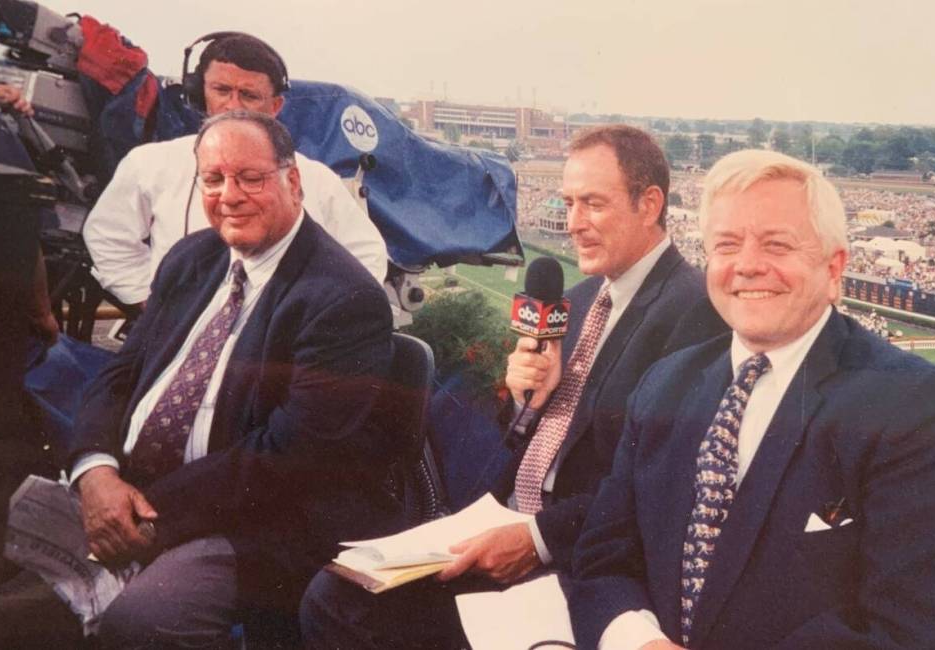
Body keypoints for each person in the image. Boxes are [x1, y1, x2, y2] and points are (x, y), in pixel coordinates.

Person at [299, 125, 727, 649]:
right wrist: (523, 400)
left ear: (650, 203)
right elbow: (539, 440)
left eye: (592, 204)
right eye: (568, 203)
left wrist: (535, 540)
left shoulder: (697, 311)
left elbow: (653, 485)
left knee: (346, 609)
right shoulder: (585, 294)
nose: (573, 224)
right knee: (336, 591)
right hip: (504, 520)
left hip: (578, 561)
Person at [565, 149, 935, 649]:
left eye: (777, 245)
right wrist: (638, 642)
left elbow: (907, 626)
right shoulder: (665, 384)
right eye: (726, 245)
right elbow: (602, 557)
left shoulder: (912, 405)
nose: (747, 265)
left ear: (834, 269)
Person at [59, 110, 399, 647]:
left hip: (256, 521)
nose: (229, 195)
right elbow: (123, 373)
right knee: (24, 598)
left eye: (250, 178)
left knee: (144, 620)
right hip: (134, 491)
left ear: (293, 181)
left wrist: (141, 514)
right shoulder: (193, 258)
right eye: (213, 180)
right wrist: (95, 471)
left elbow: (285, 458)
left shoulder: (343, 299)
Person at [80, 31, 387, 308]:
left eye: (249, 95)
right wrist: (150, 303)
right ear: (200, 93)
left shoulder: (316, 178)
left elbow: (365, 253)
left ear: (275, 106)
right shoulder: (149, 163)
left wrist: (320, 313)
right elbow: (108, 236)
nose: (233, 105)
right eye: (221, 90)